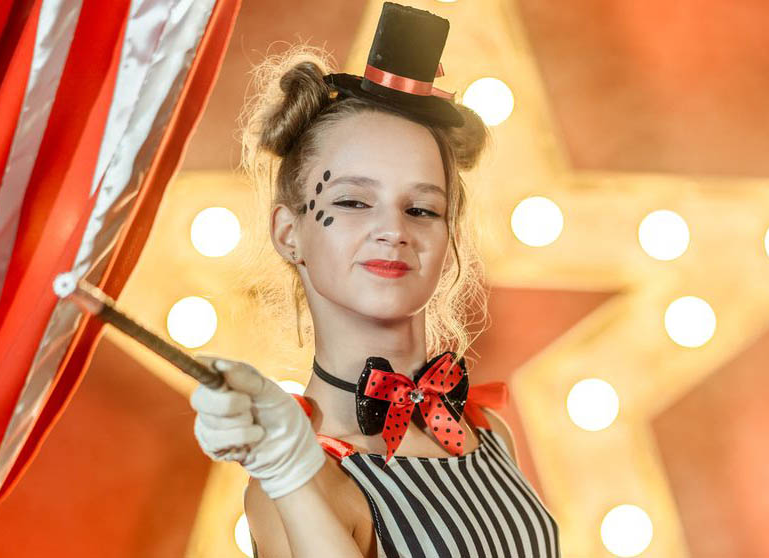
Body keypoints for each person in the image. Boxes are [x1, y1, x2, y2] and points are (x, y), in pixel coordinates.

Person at [189, 3, 561, 557]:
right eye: (353, 201)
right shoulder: (294, 484)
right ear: (289, 233)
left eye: (422, 209)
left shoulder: (487, 435)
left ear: (448, 236)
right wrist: (289, 470)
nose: (392, 230)